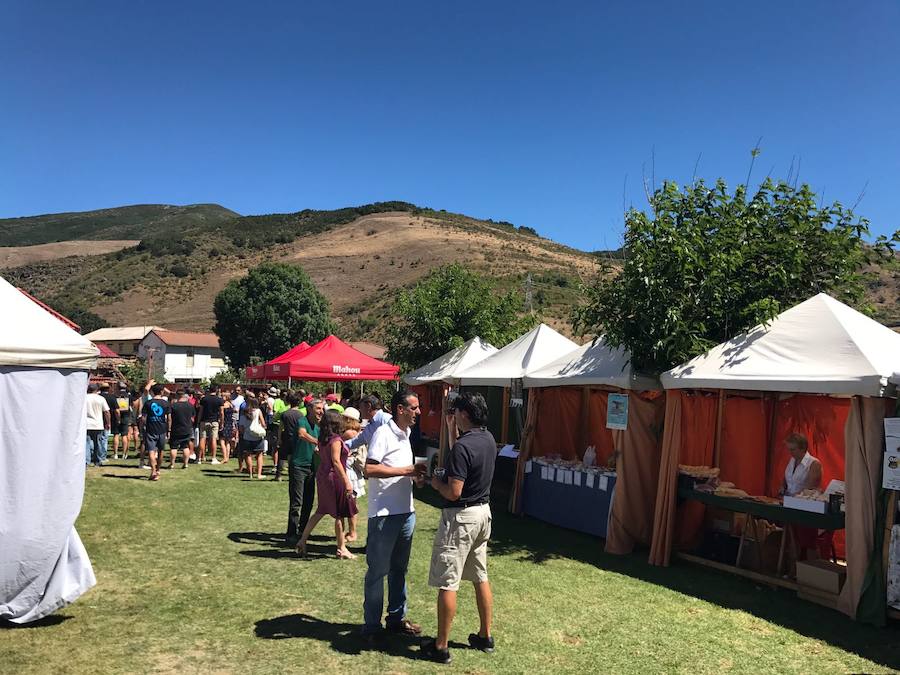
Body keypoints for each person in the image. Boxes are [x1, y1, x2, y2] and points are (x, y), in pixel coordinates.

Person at [421, 392, 496, 664]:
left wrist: (434, 483)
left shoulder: (465, 447)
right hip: (482, 514)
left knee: (448, 581)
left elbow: (453, 491)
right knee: (480, 576)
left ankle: (440, 646)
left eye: (457, 413)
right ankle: (485, 635)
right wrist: (451, 428)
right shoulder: (487, 439)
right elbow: (461, 450)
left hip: (461, 518)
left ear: (465, 414)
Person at [361, 390, 426, 644]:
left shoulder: (407, 434)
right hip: (384, 515)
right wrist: (407, 470)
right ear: (400, 409)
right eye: (414, 408)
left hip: (405, 512)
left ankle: (396, 619)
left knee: (400, 569)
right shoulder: (383, 433)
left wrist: (417, 478)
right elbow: (370, 468)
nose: (418, 412)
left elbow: (402, 472)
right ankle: (371, 627)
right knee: (377, 571)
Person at [296, 409, 359, 559]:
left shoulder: (323, 438)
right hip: (334, 478)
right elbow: (336, 462)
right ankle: (341, 548)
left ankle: (302, 540)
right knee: (339, 514)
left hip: (322, 475)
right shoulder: (336, 439)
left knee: (320, 510)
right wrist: (347, 482)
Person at [286, 399, 324, 547]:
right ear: (309, 409)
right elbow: (302, 434)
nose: (321, 411)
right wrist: (317, 442)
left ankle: (303, 531)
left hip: (312, 467)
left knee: (308, 502)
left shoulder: (319, 426)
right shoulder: (302, 421)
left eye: (322, 409)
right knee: (297, 502)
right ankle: (291, 533)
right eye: (318, 408)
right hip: (298, 466)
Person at [341, 407, 365, 542]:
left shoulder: (349, 433)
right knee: (348, 503)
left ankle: (352, 532)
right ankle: (349, 531)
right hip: (349, 470)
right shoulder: (353, 432)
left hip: (349, 471)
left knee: (350, 504)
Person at [142, 383, 171, 481]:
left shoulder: (148, 403)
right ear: (162, 391)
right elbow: (169, 418)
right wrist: (169, 430)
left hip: (151, 428)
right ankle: (158, 469)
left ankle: (153, 471)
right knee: (161, 450)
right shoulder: (166, 403)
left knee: (151, 450)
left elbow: (143, 418)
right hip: (162, 429)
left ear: (152, 392)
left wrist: (144, 426)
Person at [238, 397, 267, 479]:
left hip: (247, 436)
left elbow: (241, 427)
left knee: (248, 455)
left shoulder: (244, 414)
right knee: (259, 455)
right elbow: (263, 423)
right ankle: (259, 474)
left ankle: (250, 474)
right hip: (257, 436)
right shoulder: (258, 411)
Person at [85, 382, 111, 467]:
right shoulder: (101, 399)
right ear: (97, 390)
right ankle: (97, 460)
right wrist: (108, 422)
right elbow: (106, 411)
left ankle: (86, 460)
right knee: (98, 443)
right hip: (98, 424)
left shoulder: (84, 398)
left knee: (87, 443)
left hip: (87, 424)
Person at [197, 386, 225, 464]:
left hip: (204, 420)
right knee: (213, 439)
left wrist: (198, 421)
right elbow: (221, 412)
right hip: (214, 421)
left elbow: (201, 411)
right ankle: (213, 458)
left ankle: (199, 458)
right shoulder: (219, 400)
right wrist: (222, 422)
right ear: (216, 391)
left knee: (202, 438)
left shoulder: (204, 399)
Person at [170, 390, 196, 469]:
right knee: (185, 446)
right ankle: (185, 464)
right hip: (187, 428)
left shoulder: (174, 405)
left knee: (174, 447)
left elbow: (170, 418)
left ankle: (172, 464)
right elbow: (192, 418)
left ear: (177, 396)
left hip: (176, 428)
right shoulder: (190, 405)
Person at [110, 383, 133, 460]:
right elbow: (131, 405)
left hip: (116, 417)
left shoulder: (115, 396)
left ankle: (115, 454)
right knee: (124, 435)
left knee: (116, 435)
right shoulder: (129, 396)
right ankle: (124, 454)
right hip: (126, 416)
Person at [99, 382, 119, 460]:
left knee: (96, 439)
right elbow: (117, 410)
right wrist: (118, 419)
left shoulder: (99, 396)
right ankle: (103, 456)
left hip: (98, 419)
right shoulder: (112, 397)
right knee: (104, 438)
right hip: (109, 420)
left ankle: (95, 454)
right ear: (108, 388)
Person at [220, 396, 234, 464]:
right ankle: (227, 457)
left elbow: (222, 414)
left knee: (222, 441)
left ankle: (224, 457)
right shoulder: (231, 404)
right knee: (228, 441)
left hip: (225, 423)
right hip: (230, 423)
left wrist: (221, 424)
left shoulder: (223, 405)